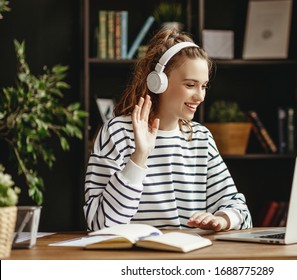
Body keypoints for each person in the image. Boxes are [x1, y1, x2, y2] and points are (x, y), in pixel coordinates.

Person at [84, 28, 252, 232]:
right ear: (158, 82)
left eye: (204, 86)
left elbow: (240, 210)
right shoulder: (116, 133)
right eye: (190, 85)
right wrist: (139, 157)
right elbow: (100, 225)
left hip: (188, 256)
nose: (200, 97)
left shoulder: (200, 138)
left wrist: (222, 219)